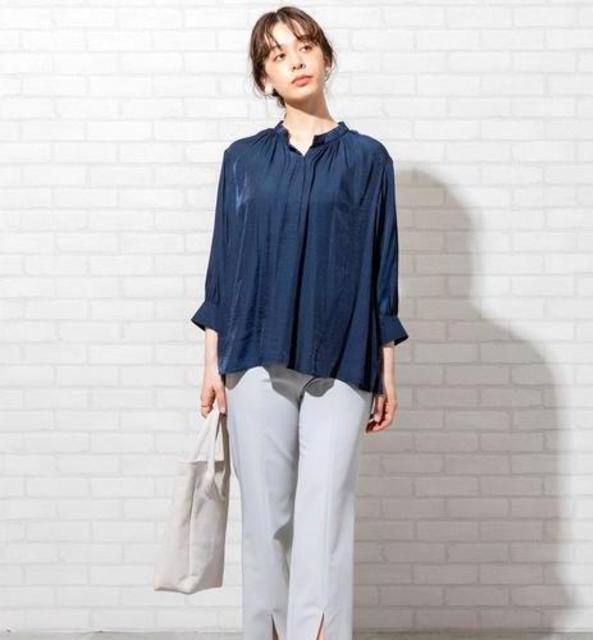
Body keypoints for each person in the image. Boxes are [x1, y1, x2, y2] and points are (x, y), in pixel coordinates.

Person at [191, 6, 409, 640]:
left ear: (326, 57)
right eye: (278, 54)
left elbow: (382, 268)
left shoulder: (368, 160)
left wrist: (387, 369)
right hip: (253, 354)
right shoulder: (242, 160)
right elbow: (224, 265)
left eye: (306, 46)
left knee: (327, 512)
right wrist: (211, 363)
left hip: (343, 354)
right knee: (267, 518)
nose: (295, 60)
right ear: (265, 76)